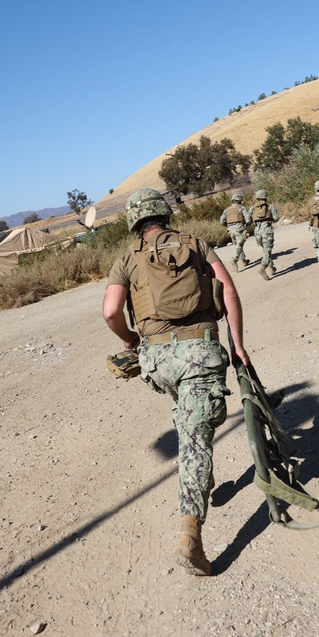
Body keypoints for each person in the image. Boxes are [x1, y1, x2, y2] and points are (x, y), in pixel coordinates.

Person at [103, 188, 249, 576]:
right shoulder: (197, 245)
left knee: (190, 420)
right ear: (165, 216)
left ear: (135, 223)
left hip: (157, 362)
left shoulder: (125, 260)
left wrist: (130, 341)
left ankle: (201, 470)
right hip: (200, 351)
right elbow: (229, 291)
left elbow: (110, 311)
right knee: (197, 438)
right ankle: (190, 536)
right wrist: (238, 345)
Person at [248, 189, 280, 280]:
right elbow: (276, 218)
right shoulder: (270, 206)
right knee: (267, 250)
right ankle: (262, 267)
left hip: (257, 233)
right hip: (267, 231)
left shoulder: (252, 208)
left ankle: (271, 267)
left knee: (266, 250)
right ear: (265, 197)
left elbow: (247, 220)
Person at [219, 193, 251, 272]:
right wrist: (247, 225)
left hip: (230, 230)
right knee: (240, 243)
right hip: (239, 229)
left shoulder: (227, 209)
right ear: (240, 201)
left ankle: (243, 260)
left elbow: (221, 221)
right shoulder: (242, 208)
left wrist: (229, 226)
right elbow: (248, 219)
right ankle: (234, 259)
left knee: (238, 244)